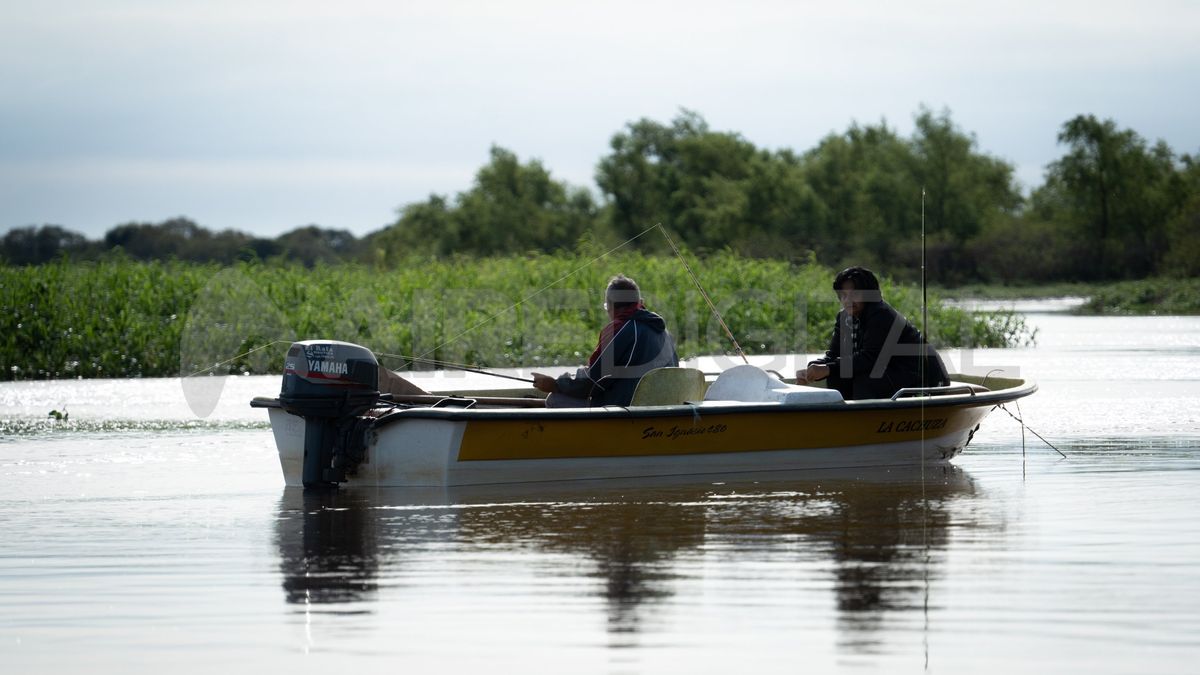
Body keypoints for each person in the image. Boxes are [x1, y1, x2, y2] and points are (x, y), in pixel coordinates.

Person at [797, 266, 949, 400]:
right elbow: (833, 355)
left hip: (925, 380)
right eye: (843, 295)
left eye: (854, 294)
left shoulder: (880, 315)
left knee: (864, 379)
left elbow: (871, 358)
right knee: (837, 376)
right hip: (891, 375)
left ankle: (864, 423)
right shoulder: (844, 318)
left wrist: (829, 368)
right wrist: (813, 368)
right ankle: (845, 422)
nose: (847, 300)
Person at [532, 274, 678, 407]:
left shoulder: (622, 330)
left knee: (555, 399)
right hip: (662, 407)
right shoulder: (664, 333)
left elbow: (593, 383)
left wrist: (556, 385)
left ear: (611, 307)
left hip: (627, 409)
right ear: (640, 302)